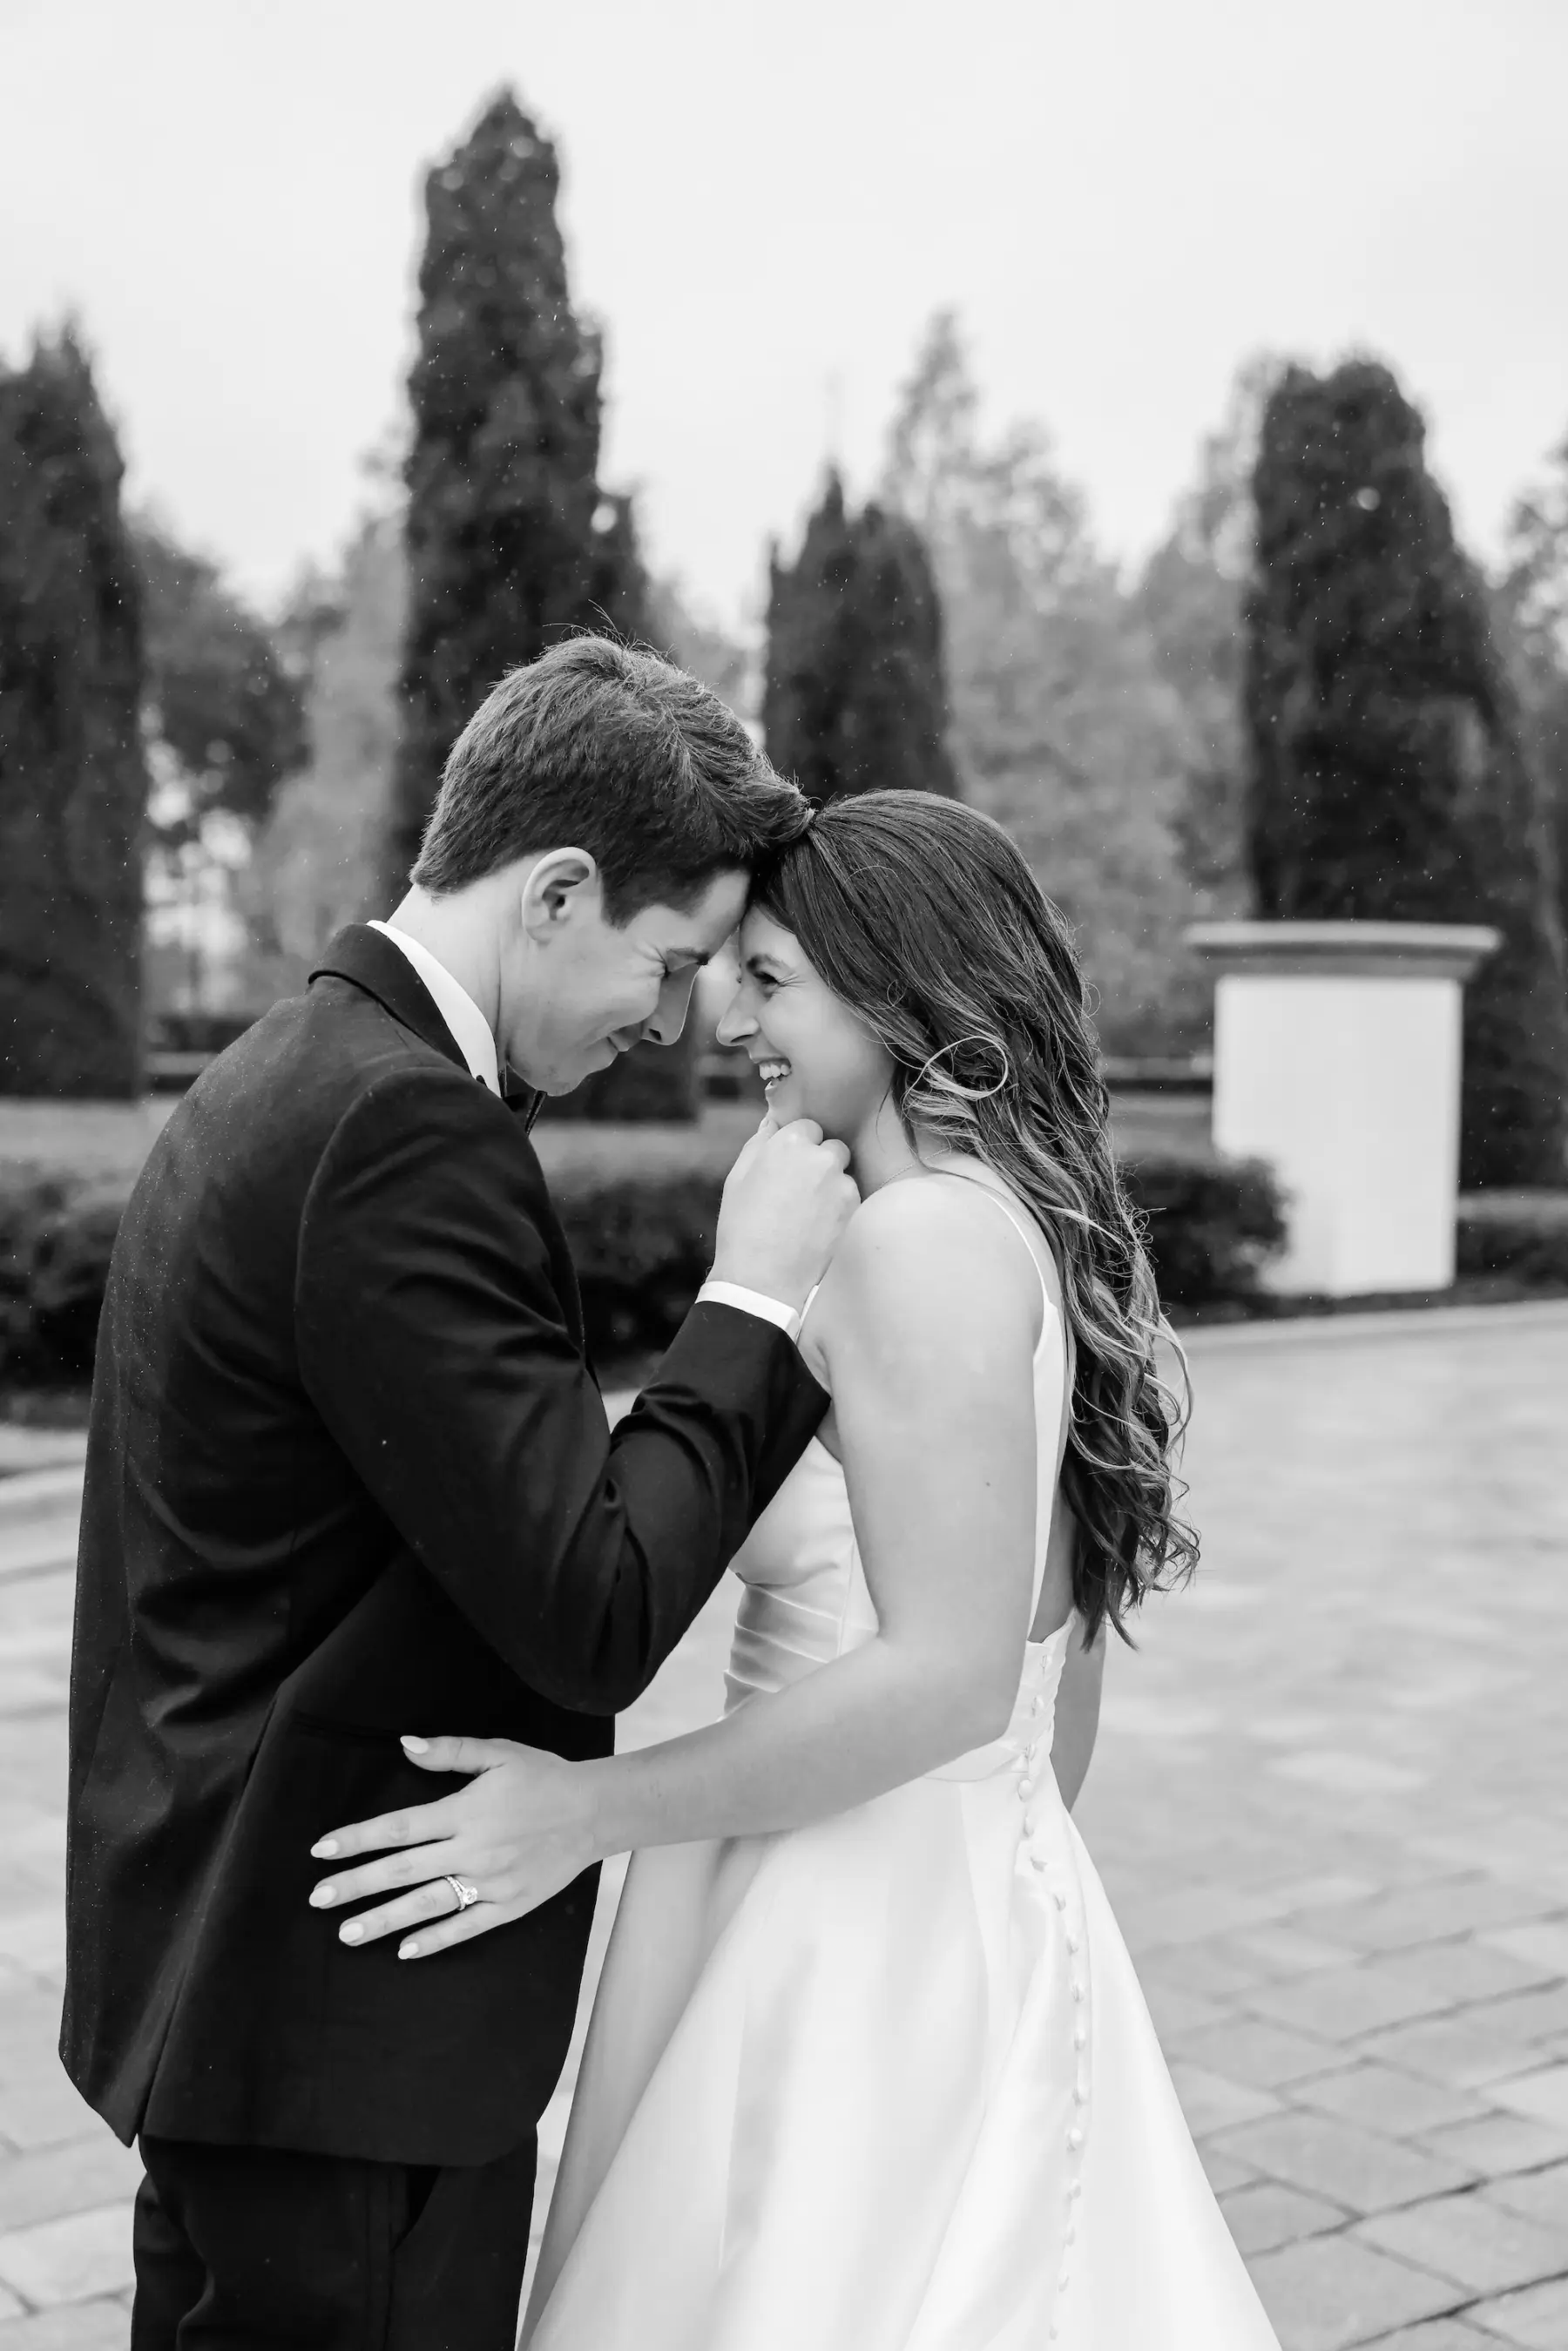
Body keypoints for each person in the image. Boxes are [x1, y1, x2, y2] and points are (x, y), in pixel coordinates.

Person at [311, 790, 1283, 2348]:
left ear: (896, 994)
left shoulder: (914, 1251)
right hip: (893, 1878)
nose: (726, 1017)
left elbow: (955, 1675)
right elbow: (1051, 1697)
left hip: (838, 1920)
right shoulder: (996, 1227)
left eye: (771, 980)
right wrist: (991, 1868)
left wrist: (578, 1813)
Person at [61, 638, 858, 2351]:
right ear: (557, 889)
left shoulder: (291, 1069)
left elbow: (471, 1496)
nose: (666, 1023)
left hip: (243, 1991)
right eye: (667, 963)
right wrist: (760, 1300)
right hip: (348, 2039)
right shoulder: (403, 1131)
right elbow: (596, 1606)